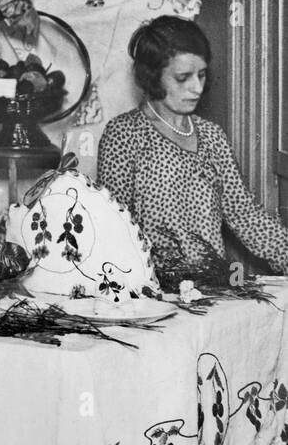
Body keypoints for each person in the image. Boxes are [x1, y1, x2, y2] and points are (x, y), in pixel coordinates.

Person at [97, 16, 288, 277]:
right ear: (153, 76)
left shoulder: (211, 136)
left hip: (211, 289)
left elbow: (244, 214)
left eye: (201, 75)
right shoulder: (124, 134)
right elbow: (113, 225)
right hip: (152, 294)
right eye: (183, 77)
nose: (197, 88)